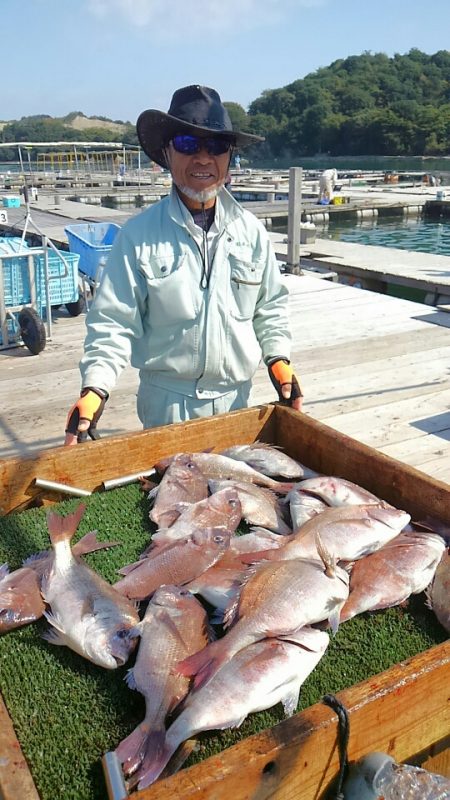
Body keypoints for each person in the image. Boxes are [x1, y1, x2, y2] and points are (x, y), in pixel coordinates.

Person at [65, 85, 302, 445]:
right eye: (189, 144)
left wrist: (278, 359)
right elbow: (113, 322)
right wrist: (95, 389)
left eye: (217, 146)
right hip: (166, 405)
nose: (204, 158)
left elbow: (270, 307)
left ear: (230, 156)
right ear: (166, 152)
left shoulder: (251, 232)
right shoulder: (137, 235)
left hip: (238, 402)